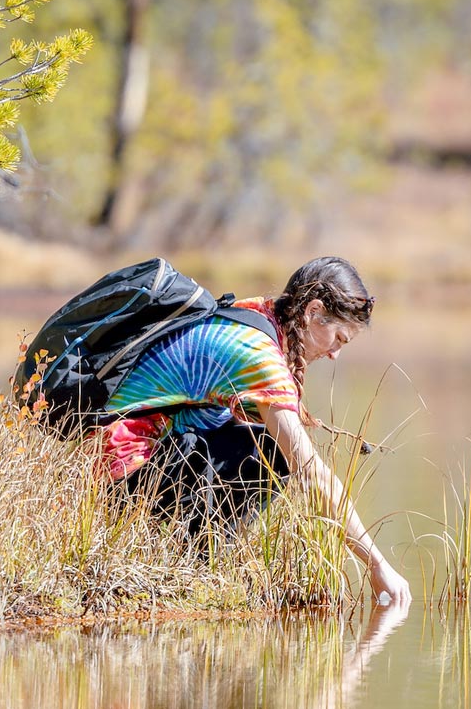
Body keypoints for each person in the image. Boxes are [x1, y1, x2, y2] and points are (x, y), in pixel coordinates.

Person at [96, 255, 411, 606]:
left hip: (124, 465)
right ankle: (196, 566)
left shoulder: (256, 314)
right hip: (121, 479)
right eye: (338, 337)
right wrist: (377, 565)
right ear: (312, 311)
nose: (335, 353)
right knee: (272, 454)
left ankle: (193, 559)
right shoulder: (260, 355)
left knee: (255, 440)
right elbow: (312, 476)